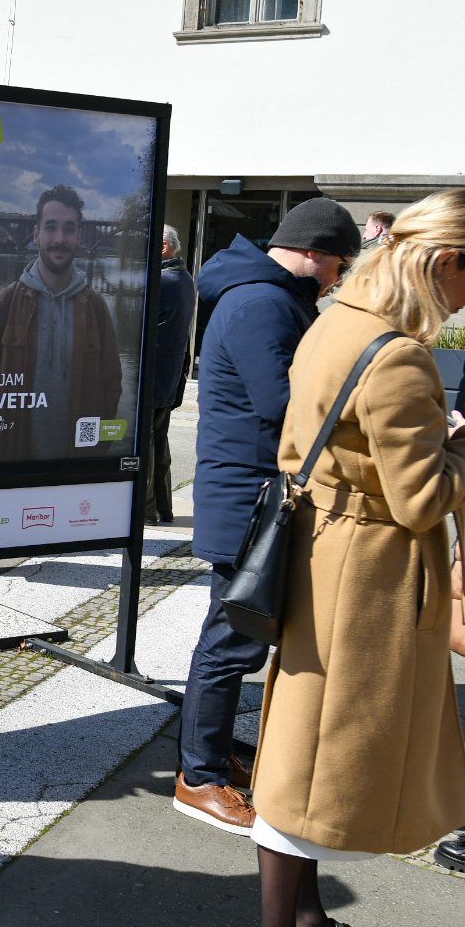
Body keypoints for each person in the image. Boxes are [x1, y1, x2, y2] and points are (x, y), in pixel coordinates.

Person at [250, 192, 465, 926]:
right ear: (443, 263)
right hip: (367, 574)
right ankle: (290, 919)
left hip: (324, 548)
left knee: (302, 742)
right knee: (318, 757)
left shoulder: (338, 318)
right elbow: (421, 500)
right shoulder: (398, 353)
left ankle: (302, 912)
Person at [176, 197, 361, 835]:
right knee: (231, 642)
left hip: (253, 495)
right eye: (338, 264)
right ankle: (197, 777)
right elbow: (287, 403)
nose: (337, 279)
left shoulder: (264, 294)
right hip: (251, 500)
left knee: (237, 637)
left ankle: (211, 754)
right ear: (313, 252)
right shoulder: (261, 302)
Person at [0, 184, 122, 462]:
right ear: (36, 233)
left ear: (79, 236)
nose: (59, 238)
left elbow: (111, 385)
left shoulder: (96, 308)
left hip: (76, 474)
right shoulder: (6, 304)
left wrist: (97, 449)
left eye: (69, 228)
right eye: (51, 227)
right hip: (14, 469)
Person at [148, 224, 196, 524]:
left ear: (164, 247)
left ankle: (146, 510)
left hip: (154, 378)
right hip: (168, 378)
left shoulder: (163, 281)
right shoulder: (184, 278)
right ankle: (163, 508)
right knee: (159, 442)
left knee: (147, 445)